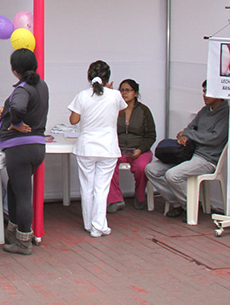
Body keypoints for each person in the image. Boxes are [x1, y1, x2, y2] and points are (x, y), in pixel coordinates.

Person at [146, 80, 229, 219]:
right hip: (189, 153)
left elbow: (214, 138)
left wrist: (189, 134)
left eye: (208, 92)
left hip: (207, 158)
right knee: (151, 169)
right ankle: (180, 203)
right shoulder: (204, 111)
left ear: (218, 93)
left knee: (173, 175)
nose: (204, 95)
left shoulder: (226, 113)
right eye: (203, 91)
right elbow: (190, 128)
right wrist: (185, 136)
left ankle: (190, 207)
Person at [0, 48, 48, 255]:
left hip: (20, 148)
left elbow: (18, 107)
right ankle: (14, 231)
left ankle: (24, 240)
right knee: (15, 187)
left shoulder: (22, 89)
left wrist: (15, 123)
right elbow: (27, 109)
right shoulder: (42, 85)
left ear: (14, 69)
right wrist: (6, 112)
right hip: (36, 146)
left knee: (23, 194)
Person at [68, 61, 127, 238]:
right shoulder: (115, 95)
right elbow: (120, 113)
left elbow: (73, 120)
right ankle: (98, 226)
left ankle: (89, 224)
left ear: (89, 77)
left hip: (86, 147)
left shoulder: (82, 95)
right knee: (102, 188)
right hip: (108, 148)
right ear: (108, 78)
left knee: (87, 187)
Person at [107, 79, 156, 212]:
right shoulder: (114, 109)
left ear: (135, 93)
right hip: (119, 149)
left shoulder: (144, 110)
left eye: (128, 90)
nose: (124, 93)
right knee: (108, 163)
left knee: (142, 167)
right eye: (122, 90)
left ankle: (140, 196)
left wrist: (140, 149)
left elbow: (151, 135)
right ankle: (115, 199)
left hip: (139, 149)